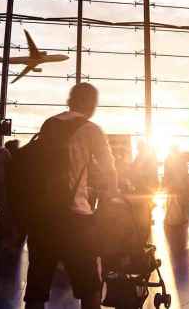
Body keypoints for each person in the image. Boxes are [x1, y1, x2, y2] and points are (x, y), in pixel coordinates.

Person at [23, 83, 118, 309]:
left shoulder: (49, 124)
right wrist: (112, 195)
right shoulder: (91, 129)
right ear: (91, 104)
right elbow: (109, 170)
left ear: (70, 100)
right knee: (91, 287)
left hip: (42, 218)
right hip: (76, 219)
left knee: (37, 287)